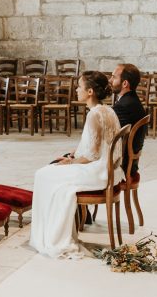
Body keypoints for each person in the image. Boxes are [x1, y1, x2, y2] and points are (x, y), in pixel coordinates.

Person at [29, 71, 124, 258]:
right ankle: (52, 230)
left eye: (79, 86)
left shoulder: (94, 115)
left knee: (43, 174)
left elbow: (93, 155)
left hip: (98, 172)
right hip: (110, 169)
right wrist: (74, 154)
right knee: (50, 171)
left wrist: (70, 162)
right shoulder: (108, 110)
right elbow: (96, 145)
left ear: (90, 92)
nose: (76, 89)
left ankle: (50, 236)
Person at [110, 63, 147, 175]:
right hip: (130, 164)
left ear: (125, 83)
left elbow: (110, 139)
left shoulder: (124, 106)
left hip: (121, 167)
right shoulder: (132, 101)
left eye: (114, 77)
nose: (110, 80)